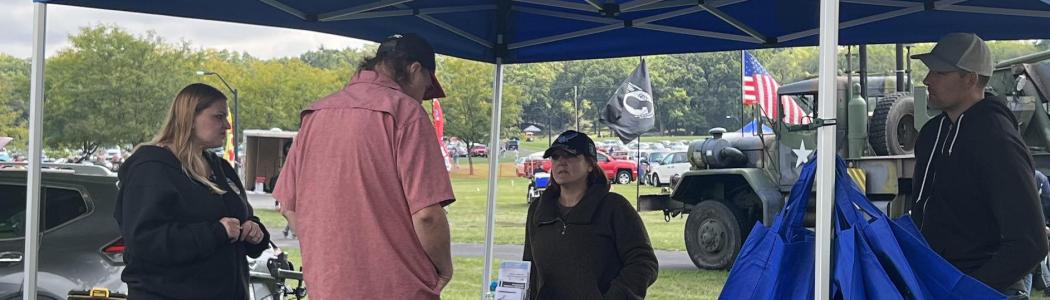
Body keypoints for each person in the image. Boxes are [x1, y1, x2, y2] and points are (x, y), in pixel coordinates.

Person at [273, 33, 455, 299]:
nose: (423, 98)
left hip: (329, 287)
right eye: (426, 88)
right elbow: (427, 215)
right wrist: (444, 269)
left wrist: (330, 254)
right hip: (397, 288)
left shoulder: (317, 114)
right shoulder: (407, 113)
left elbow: (289, 207)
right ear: (415, 70)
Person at [910, 32, 1048, 297]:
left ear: (970, 78)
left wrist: (968, 289)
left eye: (939, 72)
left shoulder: (997, 140)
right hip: (933, 282)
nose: (927, 80)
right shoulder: (931, 134)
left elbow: (1030, 242)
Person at [115, 83, 270, 299]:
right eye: (218, 116)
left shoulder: (221, 168)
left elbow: (241, 218)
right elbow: (144, 241)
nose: (226, 125)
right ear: (190, 117)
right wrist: (216, 232)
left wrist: (254, 231)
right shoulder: (151, 168)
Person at [523, 130, 658, 299]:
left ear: (590, 164)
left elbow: (644, 262)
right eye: (555, 157)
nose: (561, 162)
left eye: (570, 156)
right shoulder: (538, 210)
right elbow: (528, 269)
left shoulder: (614, 208)